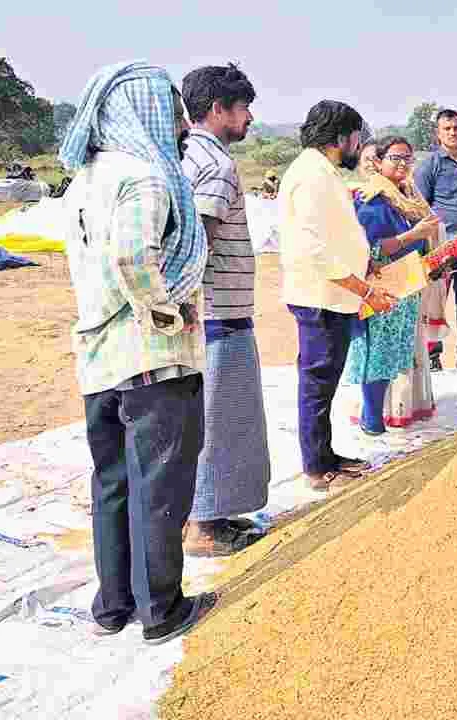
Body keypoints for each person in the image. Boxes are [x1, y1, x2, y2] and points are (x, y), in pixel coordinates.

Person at [58, 61, 215, 643]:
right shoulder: (146, 176)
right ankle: (161, 611)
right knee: (159, 483)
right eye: (171, 109)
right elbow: (132, 257)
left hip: (98, 358)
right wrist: (167, 310)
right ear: (145, 110)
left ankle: (113, 606)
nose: (178, 123)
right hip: (151, 357)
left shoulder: (83, 179)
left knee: (114, 483)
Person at [278, 100, 398, 490]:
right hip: (320, 297)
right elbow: (312, 247)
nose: (359, 145)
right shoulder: (311, 175)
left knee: (325, 384)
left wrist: (364, 268)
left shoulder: (322, 172)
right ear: (342, 137)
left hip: (334, 295)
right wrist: (363, 289)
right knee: (316, 385)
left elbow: (336, 236)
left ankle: (326, 455)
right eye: (357, 137)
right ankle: (316, 467)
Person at [178, 63, 269, 557]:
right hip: (217, 314)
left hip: (207, 313)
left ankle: (210, 514)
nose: (250, 117)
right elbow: (201, 242)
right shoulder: (215, 164)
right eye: (243, 108)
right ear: (218, 110)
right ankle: (205, 527)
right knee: (221, 420)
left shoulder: (185, 156)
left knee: (217, 418)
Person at [344, 136, 441, 434]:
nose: (402, 164)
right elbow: (368, 249)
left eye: (407, 158)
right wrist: (415, 235)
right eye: (395, 158)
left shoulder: (409, 197)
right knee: (377, 355)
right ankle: (371, 420)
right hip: (381, 288)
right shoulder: (373, 198)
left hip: (407, 285)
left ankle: (377, 418)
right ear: (379, 162)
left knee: (394, 354)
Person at [415, 108, 457, 370]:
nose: (453, 133)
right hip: (441, 246)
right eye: (447, 129)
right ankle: (432, 356)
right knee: (436, 305)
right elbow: (419, 207)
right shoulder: (430, 165)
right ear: (438, 133)